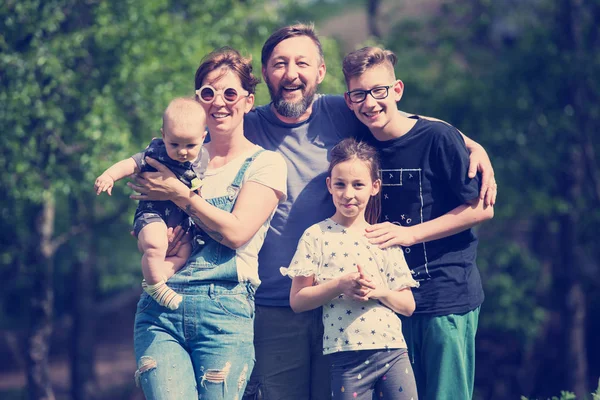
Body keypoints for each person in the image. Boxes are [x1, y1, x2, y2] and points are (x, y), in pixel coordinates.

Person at [242, 23, 497, 400]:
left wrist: (473, 145)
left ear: (320, 72)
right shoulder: (251, 125)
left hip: (400, 300)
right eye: (280, 64)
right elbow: (190, 137)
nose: (292, 73)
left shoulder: (340, 112)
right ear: (265, 73)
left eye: (302, 63)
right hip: (310, 303)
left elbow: (406, 121)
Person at [127, 47, 287, 399]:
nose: (219, 102)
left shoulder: (266, 164)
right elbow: (144, 219)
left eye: (230, 93)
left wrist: (178, 194)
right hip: (161, 308)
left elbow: (236, 233)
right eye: (208, 93)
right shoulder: (169, 156)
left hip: (224, 311)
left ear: (248, 100)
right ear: (196, 100)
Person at [342, 46, 494, 400]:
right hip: (387, 302)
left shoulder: (437, 138)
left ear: (397, 90)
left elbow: (481, 209)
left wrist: (409, 234)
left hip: (445, 295)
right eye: (359, 94)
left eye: (379, 91)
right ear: (349, 100)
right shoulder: (358, 145)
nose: (370, 102)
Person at [281, 138, 420, 400]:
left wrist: (380, 291)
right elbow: (298, 300)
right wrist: (339, 285)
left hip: (393, 352)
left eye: (358, 185)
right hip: (345, 356)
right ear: (329, 186)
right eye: (340, 185)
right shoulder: (316, 236)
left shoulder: (383, 237)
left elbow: (408, 305)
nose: (348, 194)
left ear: (375, 187)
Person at [94, 97, 208, 310]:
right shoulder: (156, 153)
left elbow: (198, 189)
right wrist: (109, 176)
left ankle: (157, 279)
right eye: (174, 144)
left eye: (190, 145)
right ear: (163, 135)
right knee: (156, 244)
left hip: (180, 220)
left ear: (203, 137)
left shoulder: (202, 159)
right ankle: (156, 284)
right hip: (152, 214)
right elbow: (131, 163)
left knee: (184, 252)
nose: (182, 151)